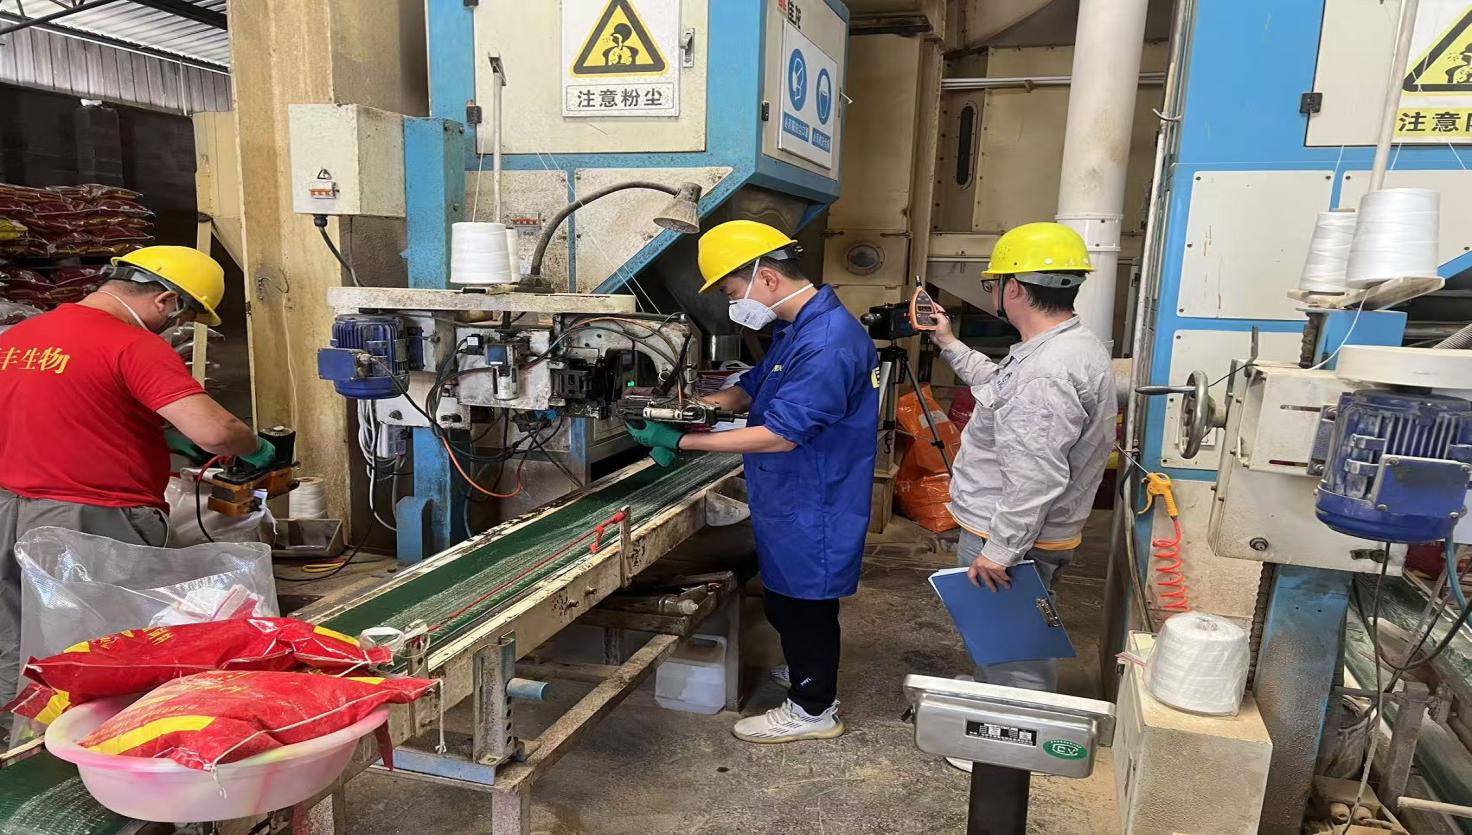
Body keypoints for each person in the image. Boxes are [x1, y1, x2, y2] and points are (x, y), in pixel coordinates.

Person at [624, 220, 879, 744]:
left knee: (805, 603)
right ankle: (811, 672)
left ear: (767, 277)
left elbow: (781, 435)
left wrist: (683, 442)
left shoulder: (827, 342)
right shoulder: (797, 327)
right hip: (790, 492)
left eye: (730, 290)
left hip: (814, 496)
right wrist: (690, 410)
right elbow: (752, 388)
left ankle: (814, 708)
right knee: (786, 597)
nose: (732, 302)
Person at [0, 246, 272, 712]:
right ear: (166, 300)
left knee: (18, 640)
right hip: (89, 522)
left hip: (8, 512)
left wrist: (158, 436)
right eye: (182, 315)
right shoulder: (132, 344)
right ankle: (96, 743)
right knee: (103, 648)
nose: (173, 326)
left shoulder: (20, 337)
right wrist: (253, 446)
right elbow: (216, 432)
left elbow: (61, 411)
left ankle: (22, 740)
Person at [929, 222, 1115, 695]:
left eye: (993, 284)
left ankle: (1010, 727)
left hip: (1011, 536)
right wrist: (948, 341)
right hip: (1023, 531)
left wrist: (1000, 550)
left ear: (1013, 288)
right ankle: (994, 698)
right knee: (1001, 643)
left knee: (1014, 651)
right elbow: (1000, 386)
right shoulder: (1067, 347)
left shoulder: (1047, 372)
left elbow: (1036, 476)